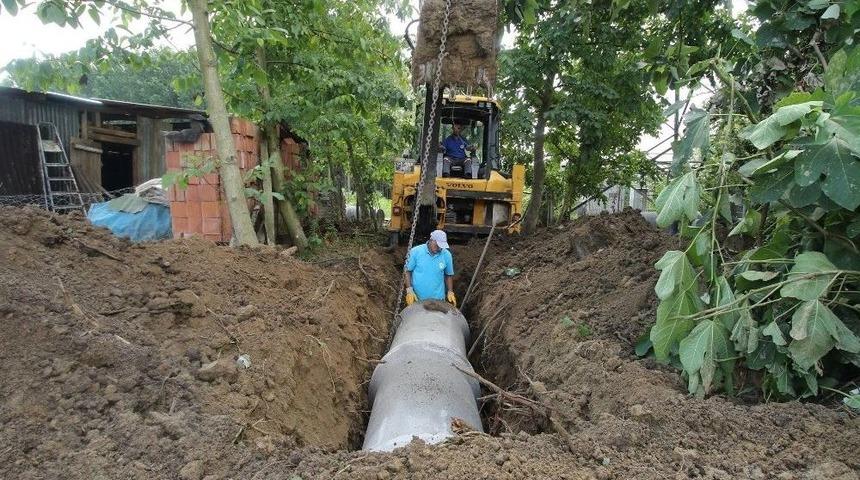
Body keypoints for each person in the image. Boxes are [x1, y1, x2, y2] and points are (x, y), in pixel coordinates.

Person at [404, 229, 457, 307]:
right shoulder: (416, 252)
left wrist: (450, 291)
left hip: (438, 300)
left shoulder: (446, 255)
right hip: (417, 298)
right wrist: (409, 290)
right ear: (431, 240)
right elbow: (407, 271)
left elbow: (448, 275)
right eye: (437, 246)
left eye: (441, 247)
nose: (439, 249)